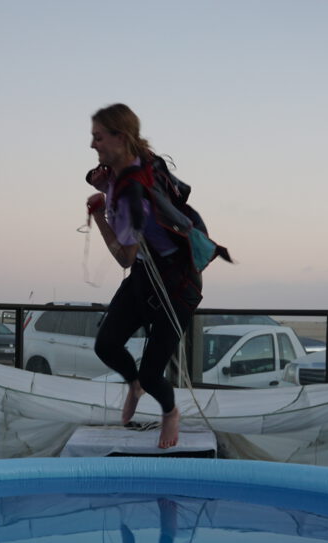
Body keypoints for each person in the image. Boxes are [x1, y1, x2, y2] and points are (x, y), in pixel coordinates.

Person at [86, 103, 217, 449]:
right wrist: (102, 180)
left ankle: (170, 411)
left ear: (120, 137)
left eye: (98, 137)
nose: (92, 145)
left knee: (152, 372)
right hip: (147, 275)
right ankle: (133, 385)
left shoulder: (133, 196)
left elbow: (123, 258)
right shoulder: (134, 163)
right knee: (106, 344)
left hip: (177, 286)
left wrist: (99, 216)